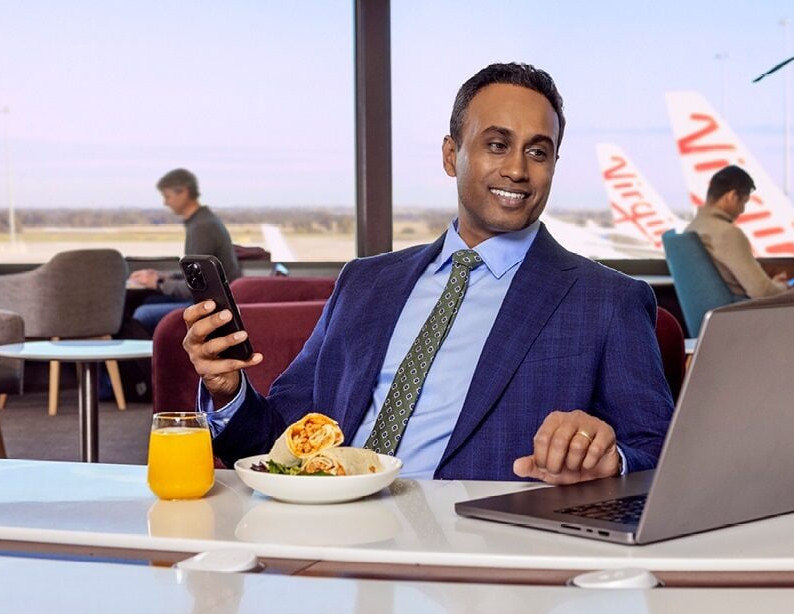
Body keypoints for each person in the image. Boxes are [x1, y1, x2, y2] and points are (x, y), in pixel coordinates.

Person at [182, 63, 674, 483]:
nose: (518, 170)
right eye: (497, 145)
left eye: (538, 152)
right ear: (449, 155)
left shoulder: (606, 300)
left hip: (480, 561)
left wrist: (609, 461)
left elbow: (657, 453)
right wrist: (228, 393)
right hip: (331, 535)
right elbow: (281, 440)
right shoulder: (365, 283)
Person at [128, 168, 241, 333]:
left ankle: (150, 358)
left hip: (213, 306)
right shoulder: (201, 222)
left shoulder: (202, 227)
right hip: (209, 300)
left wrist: (158, 283)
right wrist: (165, 276)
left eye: (167, 196)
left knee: (142, 313)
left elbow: (200, 286)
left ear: (183, 192)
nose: (165, 203)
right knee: (149, 300)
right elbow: (198, 275)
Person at [684, 165, 789, 298]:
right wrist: (782, 287)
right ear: (732, 196)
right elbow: (762, 292)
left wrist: (772, 285)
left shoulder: (691, 228)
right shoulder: (727, 234)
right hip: (739, 314)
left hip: (718, 314)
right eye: (744, 202)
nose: (742, 210)